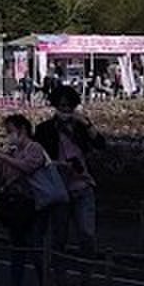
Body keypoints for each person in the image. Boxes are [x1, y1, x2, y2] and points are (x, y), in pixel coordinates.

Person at [0, 112, 65, 286]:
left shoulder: (34, 148)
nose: (8, 135)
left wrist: (1, 156)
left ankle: (45, 284)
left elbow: (27, 167)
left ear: (23, 130)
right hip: (17, 204)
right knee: (17, 244)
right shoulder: (12, 151)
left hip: (35, 203)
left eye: (11, 131)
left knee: (35, 243)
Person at [36, 88, 105, 259]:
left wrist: (87, 124)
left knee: (86, 233)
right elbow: (38, 157)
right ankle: (59, 277)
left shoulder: (81, 128)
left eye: (69, 107)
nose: (65, 110)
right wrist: (58, 164)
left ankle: (87, 276)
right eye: (62, 106)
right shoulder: (45, 129)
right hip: (59, 188)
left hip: (82, 185)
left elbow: (100, 144)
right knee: (59, 236)